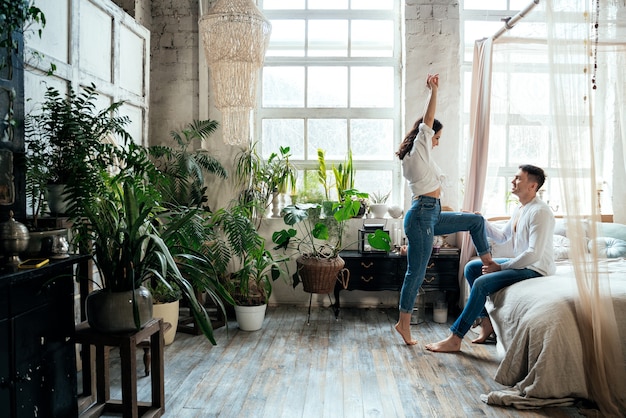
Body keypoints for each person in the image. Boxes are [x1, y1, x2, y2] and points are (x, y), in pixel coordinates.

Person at [395, 73, 496, 345]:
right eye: (437, 137)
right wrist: (434, 91)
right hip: (421, 217)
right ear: (427, 136)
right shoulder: (419, 148)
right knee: (415, 273)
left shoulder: (418, 158)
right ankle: (403, 324)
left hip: (432, 213)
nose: (437, 142)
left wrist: (448, 210)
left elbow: (431, 192)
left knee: (475, 220)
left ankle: (488, 264)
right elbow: (427, 122)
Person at [425, 164, 555, 352]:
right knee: (472, 268)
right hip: (523, 264)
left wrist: (501, 267)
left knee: (482, 283)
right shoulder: (521, 208)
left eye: (518, 178)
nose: (512, 180)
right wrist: (481, 221)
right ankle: (486, 324)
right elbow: (502, 236)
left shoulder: (540, 212)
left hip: (536, 268)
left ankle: (455, 337)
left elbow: (533, 254)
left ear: (532, 186)